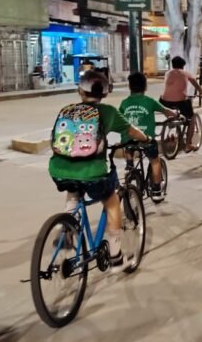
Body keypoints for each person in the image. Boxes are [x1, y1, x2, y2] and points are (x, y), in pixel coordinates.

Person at [49, 71, 149, 264]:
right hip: (92, 172)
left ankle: (65, 229)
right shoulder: (108, 111)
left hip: (58, 169)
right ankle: (116, 257)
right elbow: (131, 131)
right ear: (104, 93)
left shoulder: (67, 110)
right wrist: (146, 138)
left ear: (80, 91)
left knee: (73, 189)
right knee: (111, 202)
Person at [119, 72, 178, 200]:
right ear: (145, 86)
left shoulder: (124, 103)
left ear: (129, 86)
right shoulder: (150, 101)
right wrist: (176, 114)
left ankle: (129, 165)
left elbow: (119, 118)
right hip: (146, 140)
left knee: (127, 144)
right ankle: (156, 190)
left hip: (129, 139)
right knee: (155, 160)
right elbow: (166, 111)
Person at [161, 56, 202, 152]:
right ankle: (188, 145)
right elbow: (196, 85)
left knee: (174, 110)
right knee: (191, 119)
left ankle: (172, 119)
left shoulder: (167, 73)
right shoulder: (185, 73)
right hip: (180, 102)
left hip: (164, 101)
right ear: (183, 66)